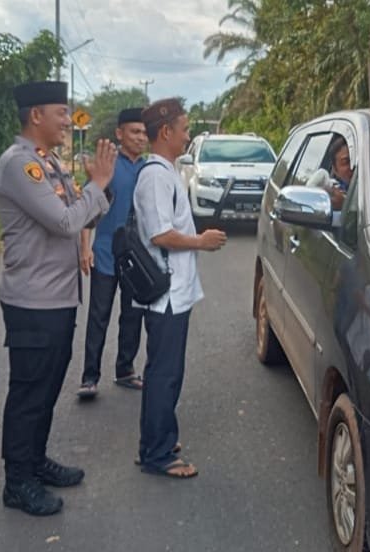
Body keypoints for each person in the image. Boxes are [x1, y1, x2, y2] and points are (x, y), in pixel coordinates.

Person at [0, 80, 116, 516]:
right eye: (61, 113)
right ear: (36, 116)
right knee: (29, 392)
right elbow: (64, 222)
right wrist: (98, 185)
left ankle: (35, 460)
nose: (68, 120)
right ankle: (17, 482)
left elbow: (83, 212)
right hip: (32, 300)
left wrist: (100, 190)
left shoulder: (49, 162)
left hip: (58, 298)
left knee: (46, 388)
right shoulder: (19, 164)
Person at [134, 98, 227, 478]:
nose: (188, 136)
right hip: (166, 294)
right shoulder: (156, 176)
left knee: (166, 370)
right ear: (165, 132)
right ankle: (156, 454)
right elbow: (160, 234)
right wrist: (200, 241)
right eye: (184, 129)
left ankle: (157, 440)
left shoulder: (167, 172)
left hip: (175, 291)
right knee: (164, 373)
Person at [77, 108, 148, 399]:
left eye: (144, 132)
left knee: (132, 315)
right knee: (99, 316)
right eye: (134, 131)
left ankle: (125, 370)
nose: (140, 137)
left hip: (137, 257)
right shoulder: (107, 166)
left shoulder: (148, 168)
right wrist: (85, 248)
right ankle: (89, 377)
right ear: (120, 134)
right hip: (105, 253)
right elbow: (88, 209)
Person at [327, 135, 353, 210]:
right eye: (346, 162)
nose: (353, 166)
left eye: (357, 160)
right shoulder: (334, 194)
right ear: (335, 170)